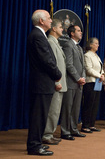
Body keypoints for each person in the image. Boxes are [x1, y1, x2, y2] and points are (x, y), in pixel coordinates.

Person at [26, 10, 62, 155]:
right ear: (41, 21)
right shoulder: (37, 36)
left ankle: (37, 143)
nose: (51, 21)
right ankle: (34, 146)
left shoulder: (39, 35)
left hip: (43, 82)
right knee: (38, 116)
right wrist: (57, 74)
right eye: (48, 18)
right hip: (42, 82)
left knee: (41, 115)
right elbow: (46, 60)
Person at [42, 19, 67, 145]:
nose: (63, 29)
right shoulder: (51, 42)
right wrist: (57, 82)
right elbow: (53, 64)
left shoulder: (56, 42)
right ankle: (46, 135)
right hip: (56, 83)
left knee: (55, 111)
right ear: (54, 29)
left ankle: (49, 133)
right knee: (52, 111)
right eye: (61, 27)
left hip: (60, 83)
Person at [60, 25, 86, 140]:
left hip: (80, 83)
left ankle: (74, 129)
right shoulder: (68, 44)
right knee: (68, 107)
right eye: (78, 31)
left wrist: (83, 78)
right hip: (71, 82)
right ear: (72, 33)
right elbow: (69, 64)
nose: (81, 32)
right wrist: (77, 78)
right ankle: (65, 131)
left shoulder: (80, 48)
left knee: (76, 108)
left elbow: (83, 66)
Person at [81, 37, 104, 133]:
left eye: (98, 43)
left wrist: (102, 74)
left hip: (98, 82)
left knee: (95, 104)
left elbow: (101, 68)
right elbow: (88, 69)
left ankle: (91, 124)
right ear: (90, 45)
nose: (98, 45)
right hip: (90, 82)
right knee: (88, 103)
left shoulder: (96, 56)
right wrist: (100, 75)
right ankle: (85, 125)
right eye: (96, 43)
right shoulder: (87, 55)